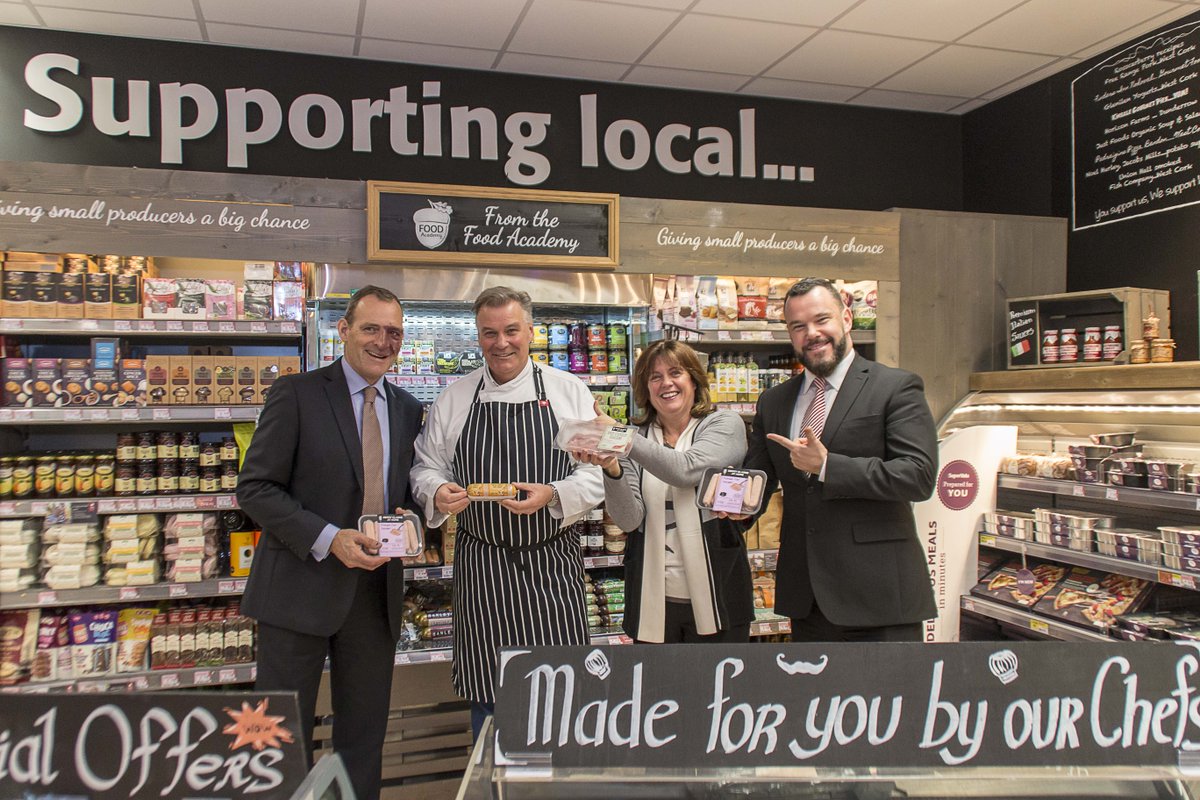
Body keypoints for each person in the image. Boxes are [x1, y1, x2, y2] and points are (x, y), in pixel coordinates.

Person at [236, 285, 424, 800]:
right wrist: (328, 537)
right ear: (343, 330)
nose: (383, 342)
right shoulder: (296, 393)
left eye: (394, 333)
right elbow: (255, 488)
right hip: (298, 588)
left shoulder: (407, 408)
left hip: (374, 595)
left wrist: (412, 519)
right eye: (371, 329)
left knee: (363, 738)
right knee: (276, 736)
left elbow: (403, 493)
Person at [410, 286, 603, 740]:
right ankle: (490, 771)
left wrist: (554, 493)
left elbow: (596, 473)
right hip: (483, 565)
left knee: (560, 685)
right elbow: (425, 467)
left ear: (531, 332)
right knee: (488, 687)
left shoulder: (568, 391)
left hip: (552, 562)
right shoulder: (455, 398)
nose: (501, 343)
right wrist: (437, 491)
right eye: (489, 333)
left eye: (511, 331)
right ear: (478, 336)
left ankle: (558, 771)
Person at [743, 277, 937, 642]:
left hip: (878, 596)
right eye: (798, 326)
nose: (812, 334)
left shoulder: (895, 387)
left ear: (846, 318)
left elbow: (918, 476)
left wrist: (828, 467)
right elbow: (759, 478)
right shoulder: (775, 401)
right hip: (808, 600)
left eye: (822, 319)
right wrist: (735, 504)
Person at [573, 339, 754, 643]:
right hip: (652, 600)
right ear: (646, 389)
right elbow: (629, 519)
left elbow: (686, 470)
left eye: (675, 373)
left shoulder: (724, 425)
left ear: (694, 379)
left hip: (719, 594)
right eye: (655, 377)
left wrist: (622, 438)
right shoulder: (638, 439)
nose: (666, 383)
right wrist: (612, 468)